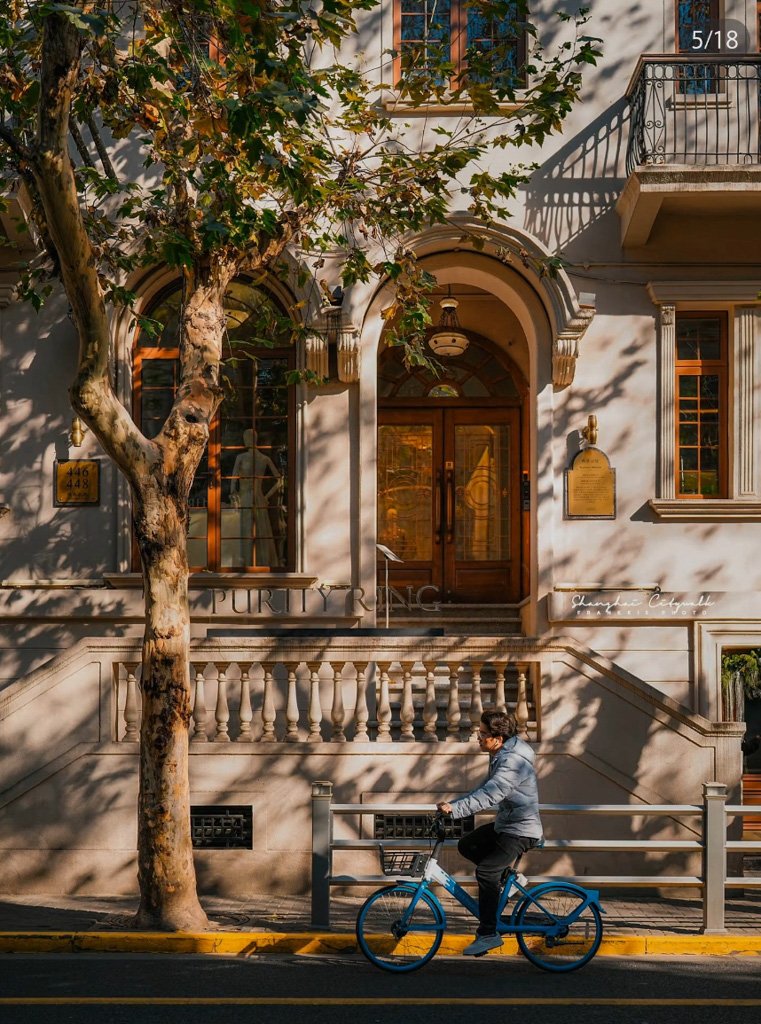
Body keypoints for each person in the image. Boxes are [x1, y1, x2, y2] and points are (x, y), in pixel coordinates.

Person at [437, 708, 543, 956]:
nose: (478, 737)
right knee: (467, 845)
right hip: (506, 825)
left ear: (498, 738)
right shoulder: (501, 754)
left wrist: (455, 810)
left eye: (483, 734)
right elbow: (483, 787)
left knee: (485, 872)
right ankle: (508, 878)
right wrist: (453, 804)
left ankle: (488, 933)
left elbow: (489, 795)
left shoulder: (512, 762)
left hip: (521, 830)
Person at [229, 428, 282, 567]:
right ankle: (256, 563)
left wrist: (233, 496)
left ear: (248, 440)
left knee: (247, 530)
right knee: (259, 530)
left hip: (245, 498)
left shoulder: (241, 458)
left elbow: (233, 480)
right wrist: (266, 496)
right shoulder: (264, 459)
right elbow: (280, 480)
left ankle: (247, 563)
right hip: (258, 498)